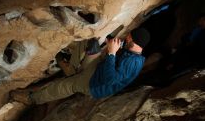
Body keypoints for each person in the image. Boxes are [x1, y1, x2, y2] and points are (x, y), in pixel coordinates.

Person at [10, 28, 150, 104]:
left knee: (64, 86)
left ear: (135, 42)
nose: (127, 38)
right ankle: (72, 70)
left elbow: (109, 79)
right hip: (97, 70)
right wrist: (110, 47)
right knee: (91, 44)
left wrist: (112, 53)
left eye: (129, 37)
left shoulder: (133, 63)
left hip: (95, 84)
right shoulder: (131, 52)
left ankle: (31, 99)